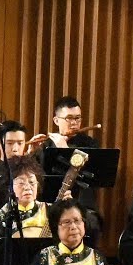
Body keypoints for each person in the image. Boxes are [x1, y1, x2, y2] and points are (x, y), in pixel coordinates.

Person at [38, 95, 102, 246]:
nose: (74, 123)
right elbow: (37, 182)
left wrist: (64, 150)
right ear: (56, 120)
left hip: (83, 207)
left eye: (78, 118)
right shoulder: (45, 146)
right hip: (51, 206)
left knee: (92, 222)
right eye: (69, 118)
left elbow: (93, 179)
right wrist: (30, 152)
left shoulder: (91, 145)